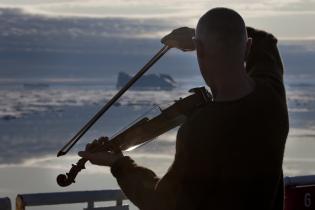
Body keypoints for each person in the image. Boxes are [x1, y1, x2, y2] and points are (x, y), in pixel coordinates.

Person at [79, 7, 289, 210]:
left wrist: (119, 165)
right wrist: (208, 36)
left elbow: (163, 203)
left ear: (199, 49)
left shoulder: (201, 128)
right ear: (248, 46)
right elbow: (266, 42)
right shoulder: (271, 95)